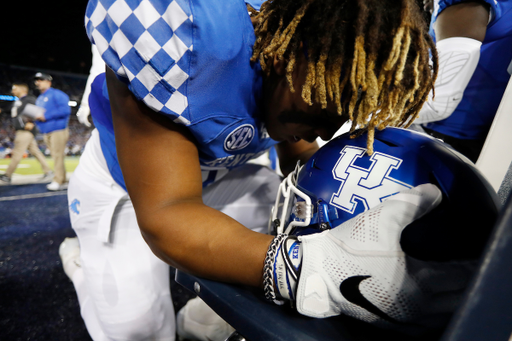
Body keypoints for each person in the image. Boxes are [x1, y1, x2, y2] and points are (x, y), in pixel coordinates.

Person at [60, 0, 439, 340]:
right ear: (285, 57)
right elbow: (167, 212)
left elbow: (303, 158)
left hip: (226, 177)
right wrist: (303, 268)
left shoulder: (303, 57)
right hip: (127, 187)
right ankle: (85, 266)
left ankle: (202, 320)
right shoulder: (187, 37)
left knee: (299, 221)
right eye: (327, 103)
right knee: (138, 331)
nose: (328, 128)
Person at [410, 0, 512, 163]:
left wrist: (365, 115)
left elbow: (436, 105)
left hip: (440, 137)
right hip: (483, 137)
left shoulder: (464, 7)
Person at [0, 83, 52, 184]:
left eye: (15, 89)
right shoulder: (18, 101)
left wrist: (31, 121)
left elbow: (38, 110)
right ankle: (48, 172)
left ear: (22, 89)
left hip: (25, 131)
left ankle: (8, 175)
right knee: (36, 152)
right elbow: (13, 112)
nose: (12, 91)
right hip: (23, 131)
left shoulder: (29, 99)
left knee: (17, 152)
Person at [33, 72, 72, 191]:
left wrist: (47, 116)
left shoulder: (57, 94)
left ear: (48, 81)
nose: (38, 82)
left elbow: (66, 110)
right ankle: (63, 180)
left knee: (57, 156)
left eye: (41, 80)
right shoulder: (40, 98)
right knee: (56, 156)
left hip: (58, 129)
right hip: (47, 131)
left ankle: (58, 180)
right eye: (37, 80)